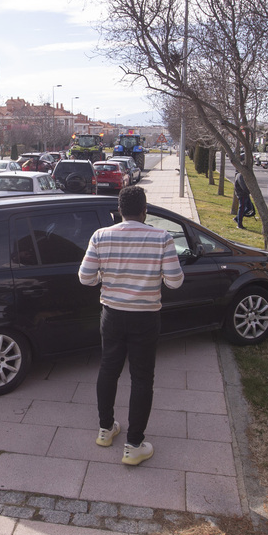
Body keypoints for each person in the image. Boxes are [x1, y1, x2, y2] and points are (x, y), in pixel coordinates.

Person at [78, 185, 184, 466]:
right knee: (141, 378)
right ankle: (134, 444)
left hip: (111, 314)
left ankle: (105, 429)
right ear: (145, 211)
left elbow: (85, 278)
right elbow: (175, 281)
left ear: (119, 211)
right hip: (146, 317)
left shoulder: (101, 235)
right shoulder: (162, 238)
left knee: (108, 370)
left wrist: (106, 275)